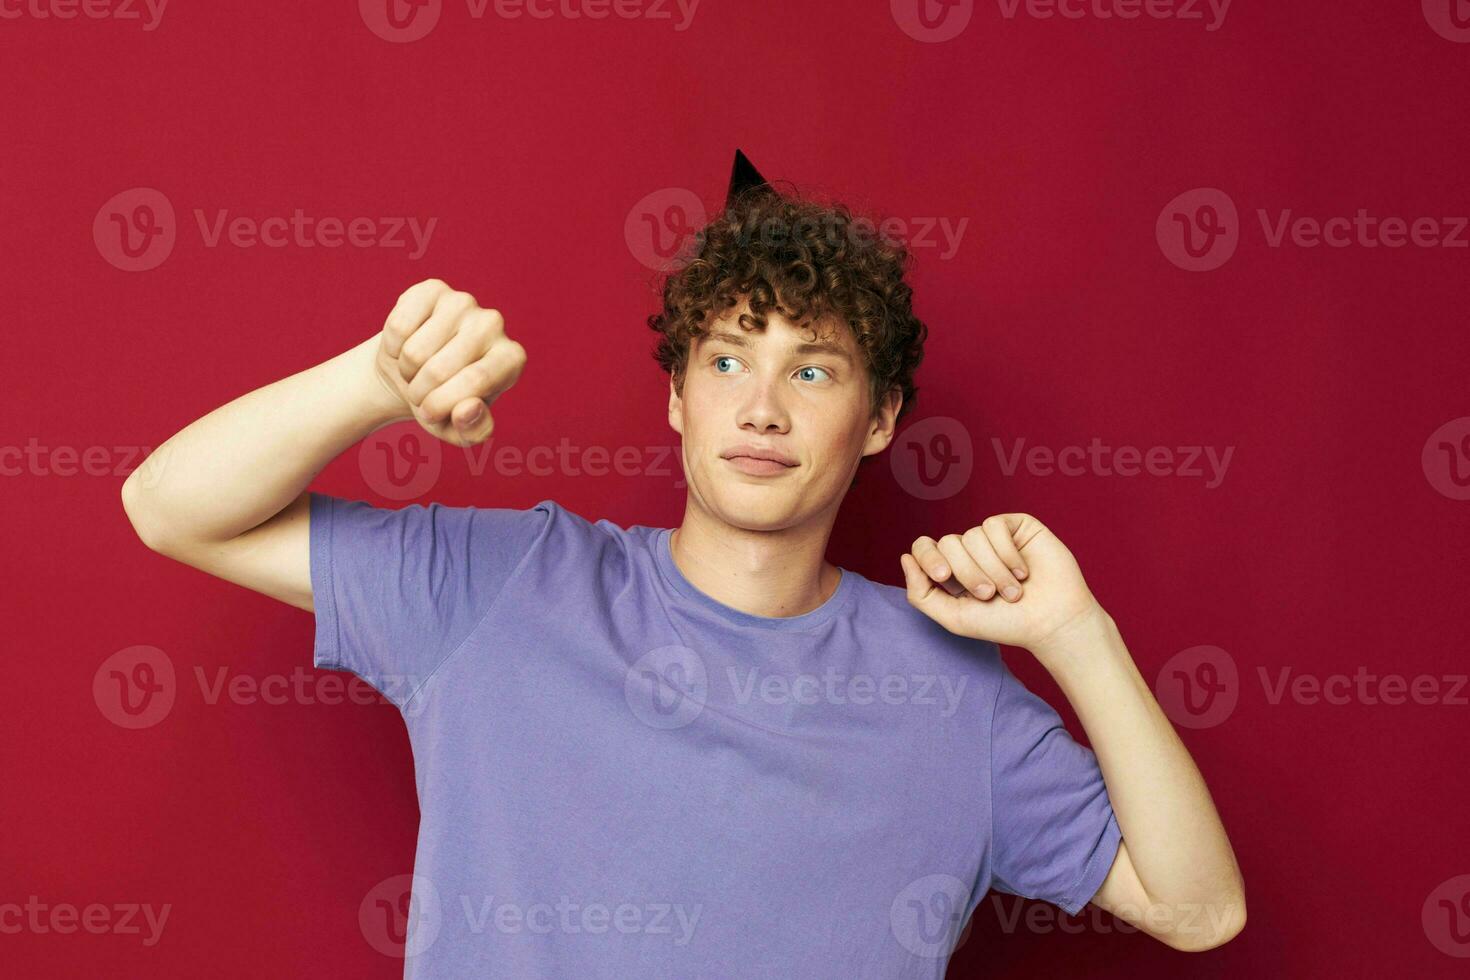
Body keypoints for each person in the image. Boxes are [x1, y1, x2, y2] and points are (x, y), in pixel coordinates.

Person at [121, 152, 1245, 978]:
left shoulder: (947, 687)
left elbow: (1199, 909)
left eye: (813, 370)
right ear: (676, 393)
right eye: (726, 358)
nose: (761, 406)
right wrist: (379, 378)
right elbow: (172, 507)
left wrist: (1076, 635)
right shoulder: (499, 586)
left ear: (880, 417)